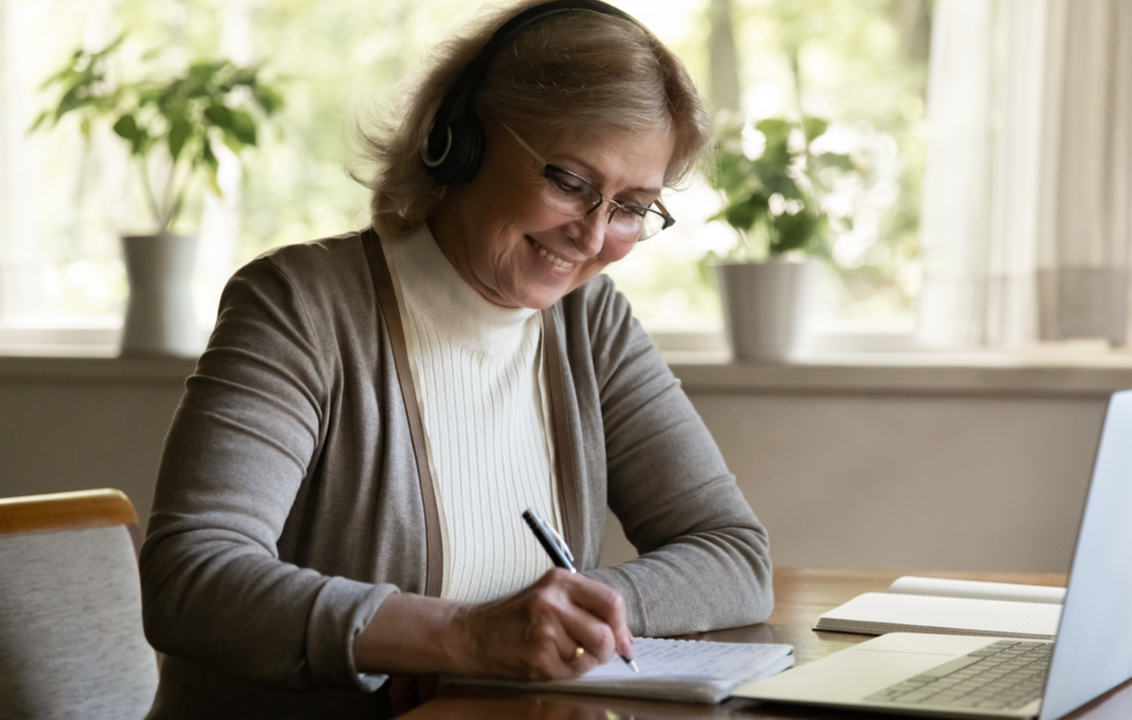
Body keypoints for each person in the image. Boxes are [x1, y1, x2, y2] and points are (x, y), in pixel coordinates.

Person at [138, 1, 773, 717]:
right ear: (459, 143)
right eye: (569, 182)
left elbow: (732, 554)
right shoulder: (300, 306)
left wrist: (557, 616)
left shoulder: (589, 324)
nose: (593, 236)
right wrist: (462, 636)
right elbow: (190, 579)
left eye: (631, 206)